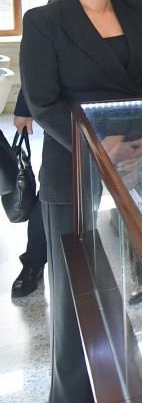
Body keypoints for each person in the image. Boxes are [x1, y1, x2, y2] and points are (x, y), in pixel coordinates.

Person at [20, 0, 142, 403]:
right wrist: (102, 145)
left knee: (136, 276)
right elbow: (44, 102)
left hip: (136, 163)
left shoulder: (136, 12)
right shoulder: (45, 21)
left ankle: (127, 386)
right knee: (75, 290)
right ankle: (71, 395)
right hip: (74, 162)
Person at [8, 93, 45, 299]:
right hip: (64, 112)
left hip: (125, 103)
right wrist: (24, 108)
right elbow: (34, 71)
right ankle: (33, 262)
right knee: (50, 194)